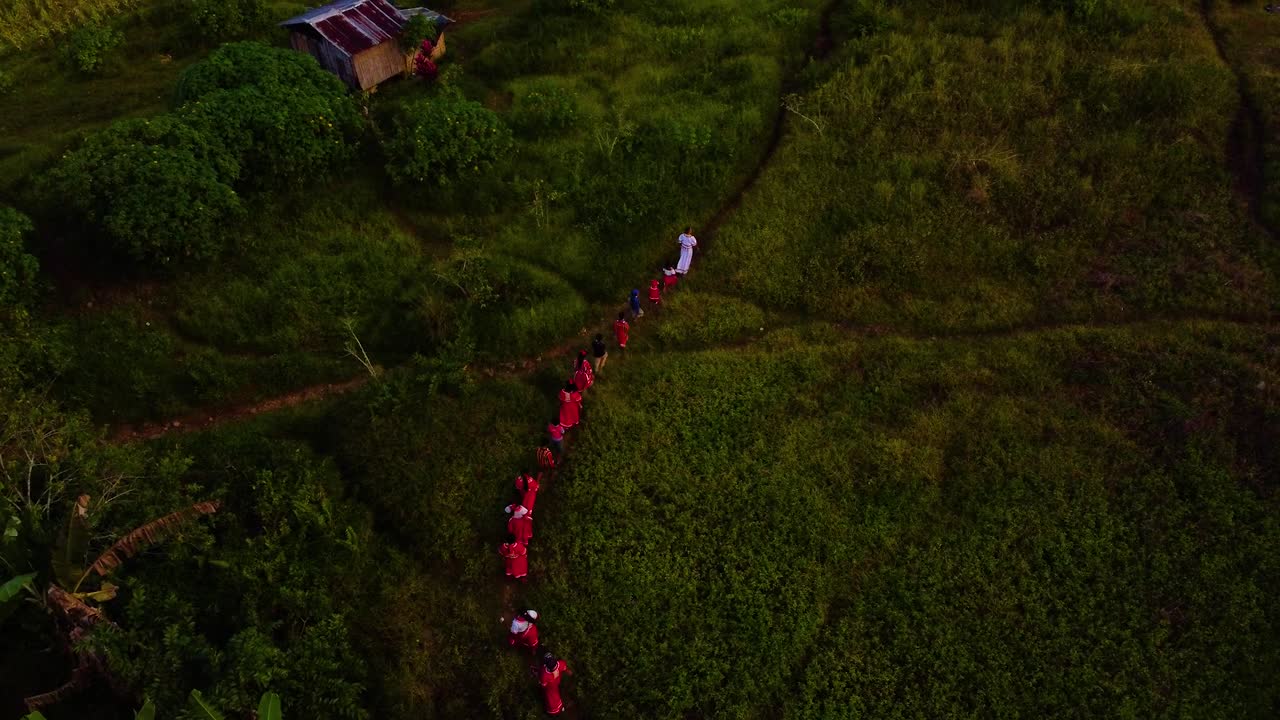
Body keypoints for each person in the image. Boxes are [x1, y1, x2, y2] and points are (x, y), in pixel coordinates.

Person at [539, 650, 571, 715]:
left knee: (551, 700)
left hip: (550, 688)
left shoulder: (544, 674)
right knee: (556, 696)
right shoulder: (560, 664)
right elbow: (567, 671)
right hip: (557, 683)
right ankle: (560, 708)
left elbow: (543, 685)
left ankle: (554, 712)